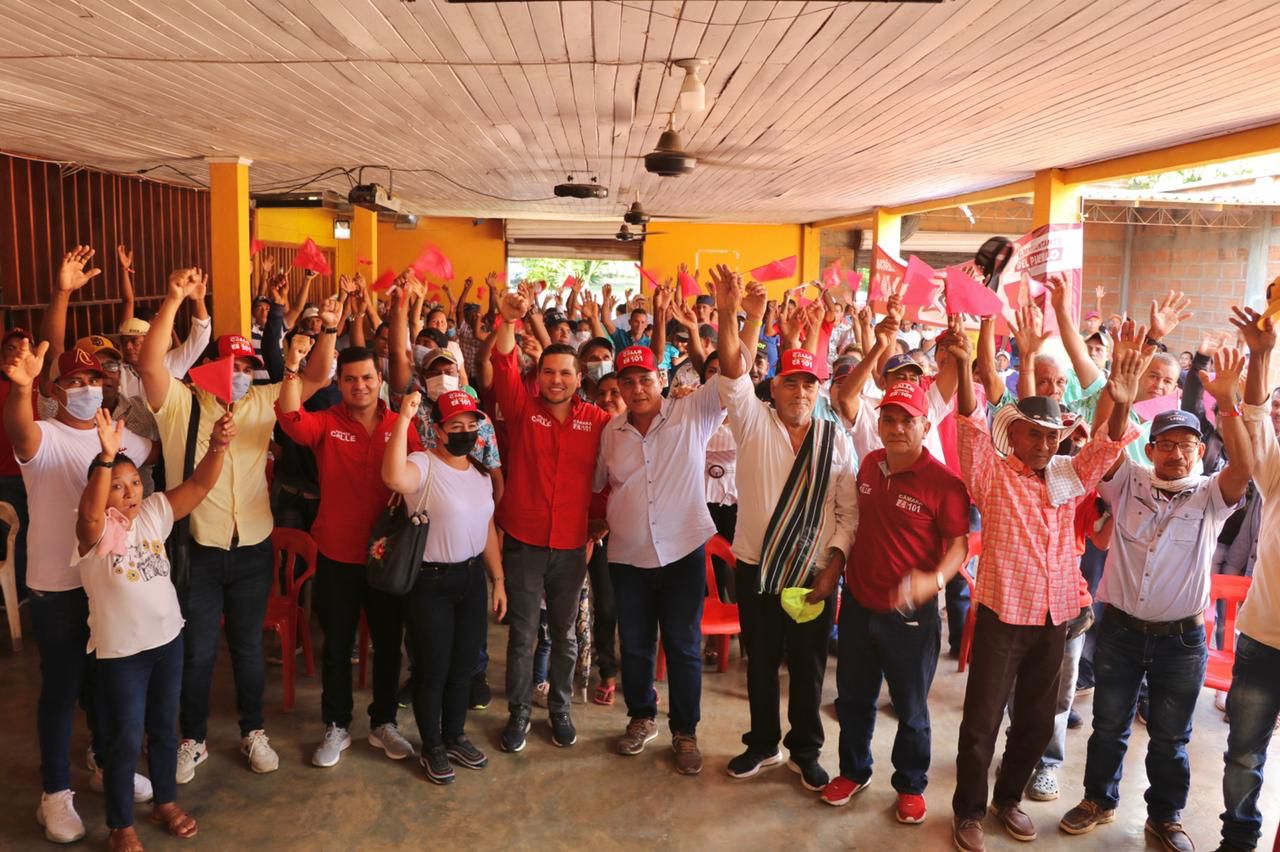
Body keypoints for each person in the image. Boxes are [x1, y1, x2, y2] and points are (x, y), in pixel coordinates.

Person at [140, 268, 334, 784]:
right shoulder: (181, 406)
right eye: (233, 364)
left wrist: (327, 332)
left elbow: (315, 379)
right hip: (199, 551)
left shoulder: (261, 404)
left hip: (253, 548)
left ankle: (253, 731)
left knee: (248, 649)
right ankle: (192, 740)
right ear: (210, 367)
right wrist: (174, 298)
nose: (241, 373)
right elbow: (149, 364)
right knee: (199, 649)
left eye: (248, 365)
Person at [950, 332, 1141, 852]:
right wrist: (967, 368)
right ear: (1014, 436)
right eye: (1033, 434)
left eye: (1050, 436)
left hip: (1054, 619)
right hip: (1001, 617)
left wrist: (1120, 407)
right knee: (981, 724)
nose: (1042, 444)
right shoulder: (992, 476)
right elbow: (969, 428)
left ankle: (1006, 799)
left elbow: (1103, 449)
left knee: (1036, 724)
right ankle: (967, 811)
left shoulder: (1065, 476)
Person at [1059, 348, 1252, 851]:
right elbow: (1104, 444)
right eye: (1166, 443)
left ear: (1201, 451)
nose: (1177, 453)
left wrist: (1228, 405)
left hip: (1182, 641)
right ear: (1152, 448)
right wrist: (1117, 401)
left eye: (1187, 444)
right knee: (1108, 725)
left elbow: (1245, 466)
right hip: (1121, 630)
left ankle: (1164, 817)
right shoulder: (1129, 482)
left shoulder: (1212, 496)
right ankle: (1098, 800)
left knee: (1171, 737)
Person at [5, 340, 157, 844]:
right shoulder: (44, 437)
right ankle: (54, 792)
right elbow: (19, 431)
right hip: (57, 586)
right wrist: (20, 388)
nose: (88, 389)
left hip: (108, 586)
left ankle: (103, 763)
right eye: (75, 382)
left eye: (95, 381)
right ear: (56, 390)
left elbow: (149, 452)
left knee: (106, 685)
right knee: (62, 688)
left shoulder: (118, 437)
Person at [712, 265, 856, 793]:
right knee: (761, 663)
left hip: (813, 575)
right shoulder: (752, 422)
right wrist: (734, 313)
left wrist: (833, 568)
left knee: (809, 668)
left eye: (808, 382)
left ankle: (805, 750)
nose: (799, 390)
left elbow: (848, 513)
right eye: (790, 381)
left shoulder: (834, 439)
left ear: (819, 390)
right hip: (757, 569)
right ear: (774, 386)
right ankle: (762, 744)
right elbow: (731, 370)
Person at [76, 408, 234, 852]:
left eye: (134, 483)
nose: (129, 492)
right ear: (99, 491)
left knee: (165, 728)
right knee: (125, 737)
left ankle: (165, 801)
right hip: (121, 654)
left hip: (168, 643)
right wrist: (106, 458)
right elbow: (89, 516)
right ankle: (120, 824)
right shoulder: (92, 532)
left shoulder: (152, 513)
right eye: (117, 485)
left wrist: (218, 446)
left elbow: (200, 484)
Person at [822, 380, 970, 825]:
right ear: (879, 423)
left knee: (910, 708)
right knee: (853, 698)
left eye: (909, 419)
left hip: (910, 616)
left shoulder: (944, 483)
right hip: (859, 604)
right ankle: (853, 772)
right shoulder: (868, 465)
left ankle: (909, 784)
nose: (898, 427)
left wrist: (935, 580)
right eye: (889, 418)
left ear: (925, 426)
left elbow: (959, 546)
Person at [275, 345, 421, 768]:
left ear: (381, 382)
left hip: (386, 557)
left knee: (389, 646)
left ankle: (384, 723)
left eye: (368, 378)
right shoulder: (327, 423)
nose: (360, 386)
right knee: (337, 646)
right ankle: (336, 724)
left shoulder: (401, 425)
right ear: (339, 383)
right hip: (336, 554)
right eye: (351, 379)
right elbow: (290, 419)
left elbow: (417, 476)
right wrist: (292, 367)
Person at [489, 287, 611, 753]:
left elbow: (609, 478)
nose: (556, 381)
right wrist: (506, 322)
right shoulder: (522, 412)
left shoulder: (598, 421)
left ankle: (559, 708)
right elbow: (502, 369)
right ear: (537, 376)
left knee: (563, 635)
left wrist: (596, 529)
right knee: (522, 635)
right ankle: (519, 712)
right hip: (524, 540)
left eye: (565, 373)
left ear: (580, 378)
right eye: (548, 372)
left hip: (571, 545)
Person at [595, 345, 724, 775]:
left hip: (682, 552)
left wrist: (734, 316)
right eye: (627, 381)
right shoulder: (611, 431)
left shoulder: (692, 413)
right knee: (634, 644)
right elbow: (601, 483)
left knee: (684, 646)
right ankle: (641, 717)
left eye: (645, 378)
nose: (637, 388)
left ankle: (685, 731)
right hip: (628, 555)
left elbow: (730, 372)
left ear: (662, 378)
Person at [382, 389, 507, 785]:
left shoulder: (479, 474)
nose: (465, 433)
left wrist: (497, 580)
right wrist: (403, 418)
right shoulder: (422, 466)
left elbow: (486, 528)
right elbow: (392, 476)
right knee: (432, 669)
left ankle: (455, 735)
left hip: (470, 580)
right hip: (429, 583)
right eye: (456, 426)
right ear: (437, 429)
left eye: (471, 426)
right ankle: (432, 745)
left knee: (464, 666)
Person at [1216, 305, 1280, 852]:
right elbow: (1255, 422)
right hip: (1263, 640)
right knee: (1243, 753)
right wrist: (1261, 355)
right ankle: (1237, 839)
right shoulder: (1279, 474)